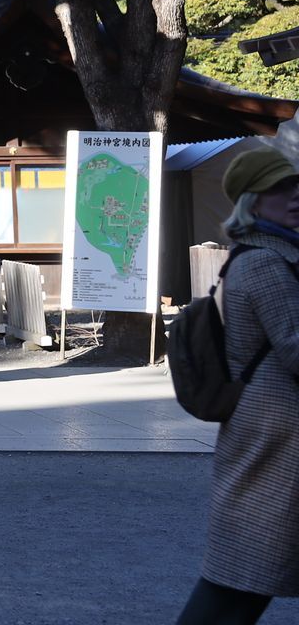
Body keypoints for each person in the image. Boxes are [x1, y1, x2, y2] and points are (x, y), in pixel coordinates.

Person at [177, 146, 299, 625]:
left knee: (246, 567)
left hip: (268, 426)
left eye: (295, 185)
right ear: (252, 201)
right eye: (278, 189)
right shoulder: (266, 262)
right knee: (244, 568)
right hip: (281, 436)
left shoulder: (269, 254)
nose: (293, 196)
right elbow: (294, 347)